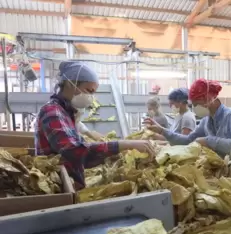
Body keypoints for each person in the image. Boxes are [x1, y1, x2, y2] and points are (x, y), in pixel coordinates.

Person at [35, 61, 154, 189]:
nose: (91, 97)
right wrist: (124, 145)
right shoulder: (52, 112)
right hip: (60, 187)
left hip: (68, 182)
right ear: (70, 84)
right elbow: (75, 152)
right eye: (88, 90)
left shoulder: (66, 113)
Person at [144, 78, 231, 176]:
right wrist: (161, 130)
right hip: (229, 173)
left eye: (196, 104)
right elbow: (187, 140)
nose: (194, 108)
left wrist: (210, 141)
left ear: (209, 99)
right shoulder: (206, 121)